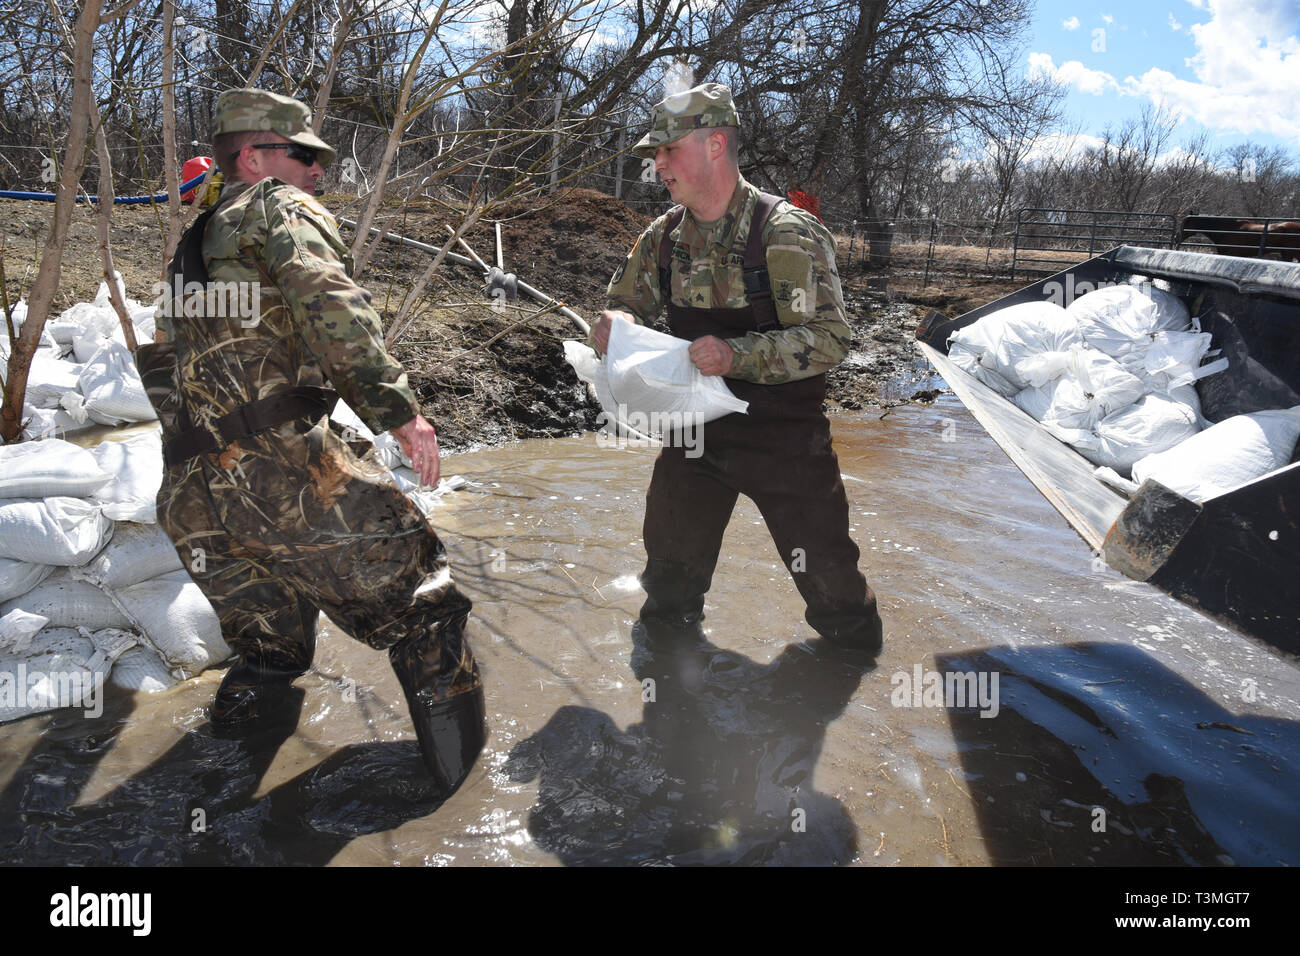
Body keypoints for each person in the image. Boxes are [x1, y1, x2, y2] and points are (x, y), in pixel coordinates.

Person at [136, 88, 485, 793]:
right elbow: (332, 307)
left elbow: (166, 363)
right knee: (426, 610)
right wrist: (398, 412)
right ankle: (460, 798)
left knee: (269, 645)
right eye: (305, 156)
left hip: (195, 493)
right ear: (257, 156)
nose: (319, 171)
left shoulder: (192, 246)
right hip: (284, 474)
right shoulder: (278, 208)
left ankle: (219, 802)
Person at [590, 82, 883, 653]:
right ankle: (672, 708)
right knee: (667, 590)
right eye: (655, 153)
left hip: (785, 439)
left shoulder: (786, 233)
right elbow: (626, 303)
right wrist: (610, 324)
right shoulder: (665, 239)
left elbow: (829, 340)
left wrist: (737, 355)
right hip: (694, 436)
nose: (659, 164)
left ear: (716, 144)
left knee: (834, 594)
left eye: (670, 150)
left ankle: (853, 674)